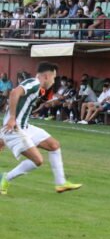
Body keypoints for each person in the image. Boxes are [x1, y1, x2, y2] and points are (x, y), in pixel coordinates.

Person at [0, 62, 82, 195]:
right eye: (54, 78)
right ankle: (6, 178)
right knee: (38, 160)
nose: (54, 81)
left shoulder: (38, 87)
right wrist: (12, 118)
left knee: (54, 145)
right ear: (47, 76)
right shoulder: (34, 83)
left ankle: (61, 183)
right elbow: (14, 93)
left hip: (24, 127)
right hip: (16, 129)